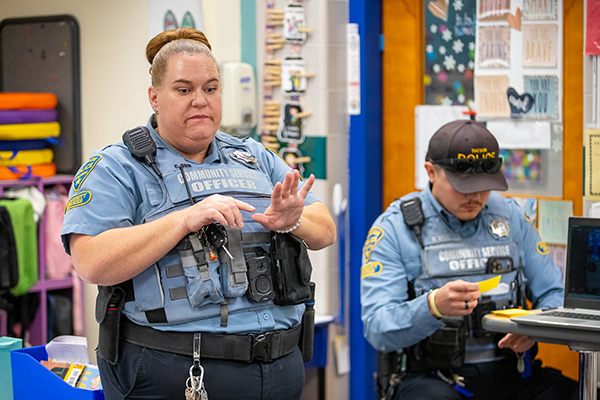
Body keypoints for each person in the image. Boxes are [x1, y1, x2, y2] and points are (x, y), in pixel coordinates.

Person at [61, 27, 336, 400]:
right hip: (177, 374)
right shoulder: (117, 167)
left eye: (210, 88)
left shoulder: (255, 157)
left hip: (280, 368)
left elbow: (326, 231)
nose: (200, 101)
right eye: (184, 89)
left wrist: (294, 220)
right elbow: (91, 261)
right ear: (154, 97)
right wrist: (183, 220)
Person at [360, 119, 578, 400]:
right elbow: (377, 327)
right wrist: (432, 307)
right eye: (463, 186)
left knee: (575, 393)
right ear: (431, 171)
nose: (475, 196)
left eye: (484, 186)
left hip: (512, 374)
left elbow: (555, 293)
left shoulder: (511, 216)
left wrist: (536, 328)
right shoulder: (394, 228)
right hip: (433, 379)